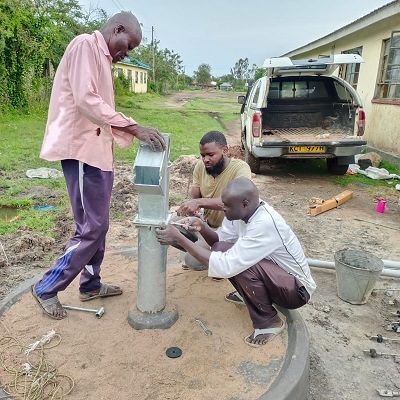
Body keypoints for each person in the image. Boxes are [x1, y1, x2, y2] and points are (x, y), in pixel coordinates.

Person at [31, 12, 166, 320]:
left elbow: (101, 108)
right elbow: (86, 101)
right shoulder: (84, 46)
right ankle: (47, 287)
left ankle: (91, 284)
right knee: (91, 227)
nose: (127, 53)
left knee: (99, 224)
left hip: (99, 154)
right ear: (116, 29)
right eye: (128, 45)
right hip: (81, 151)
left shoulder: (103, 59)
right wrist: (134, 127)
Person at [156, 177, 316, 347]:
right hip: (278, 279)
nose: (223, 209)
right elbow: (219, 242)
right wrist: (202, 226)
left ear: (245, 204)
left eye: (227, 206)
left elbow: (225, 266)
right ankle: (250, 294)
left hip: (296, 291)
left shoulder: (264, 223)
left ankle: (269, 321)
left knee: (239, 264)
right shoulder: (243, 212)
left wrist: (180, 239)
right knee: (222, 249)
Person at [176, 130, 251, 271]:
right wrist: (193, 209)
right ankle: (205, 251)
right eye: (203, 155)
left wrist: (199, 203)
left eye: (211, 155)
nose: (206, 160)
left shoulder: (240, 169)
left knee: (193, 262)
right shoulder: (200, 166)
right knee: (175, 223)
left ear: (225, 150)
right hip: (208, 226)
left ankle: (221, 262)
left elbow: (235, 202)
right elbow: (196, 195)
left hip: (230, 233)